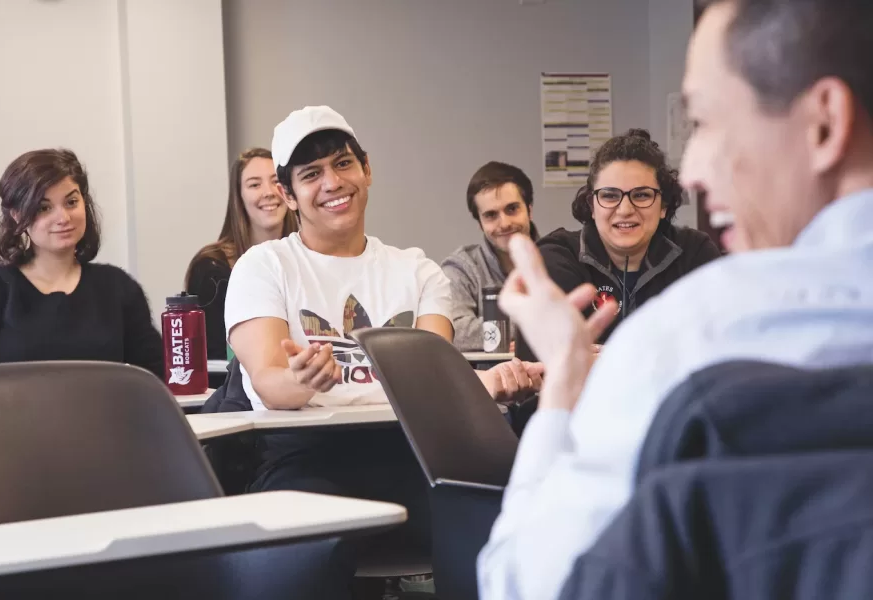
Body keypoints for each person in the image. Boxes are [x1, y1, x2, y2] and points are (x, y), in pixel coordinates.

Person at [478, 0, 873, 598]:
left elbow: (524, 582)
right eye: (610, 196)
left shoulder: (686, 339)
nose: (691, 170)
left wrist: (564, 380)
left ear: (824, 123)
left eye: (708, 123)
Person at [224, 106, 543, 597]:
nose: (332, 182)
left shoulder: (417, 272)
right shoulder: (263, 266)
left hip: (415, 454)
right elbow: (269, 380)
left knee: (512, 526)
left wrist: (491, 382)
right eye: (311, 174)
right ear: (288, 194)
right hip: (305, 460)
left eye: (342, 164)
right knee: (291, 563)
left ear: (366, 169)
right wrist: (303, 380)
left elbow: (433, 387)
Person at [514, 129, 720, 363]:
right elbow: (545, 362)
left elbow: (719, 345)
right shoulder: (556, 257)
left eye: (642, 195)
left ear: (663, 205)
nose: (625, 209)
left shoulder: (694, 253)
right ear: (592, 205)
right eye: (610, 196)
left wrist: (606, 355)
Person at [0, 149, 164, 378]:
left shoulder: (118, 287)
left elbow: (153, 380)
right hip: (14, 414)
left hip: (106, 414)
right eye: (44, 208)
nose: (63, 218)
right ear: (16, 215)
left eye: (71, 202)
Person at [184, 148, 299, 360]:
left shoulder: (309, 259)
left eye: (276, 181)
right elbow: (215, 357)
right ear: (239, 196)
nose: (269, 192)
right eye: (255, 184)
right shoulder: (211, 268)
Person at [441, 161, 539, 352]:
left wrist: (496, 335)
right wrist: (535, 327)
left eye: (512, 209)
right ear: (480, 223)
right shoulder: (461, 267)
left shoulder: (558, 257)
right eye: (491, 215)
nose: (504, 223)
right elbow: (455, 331)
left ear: (530, 210)